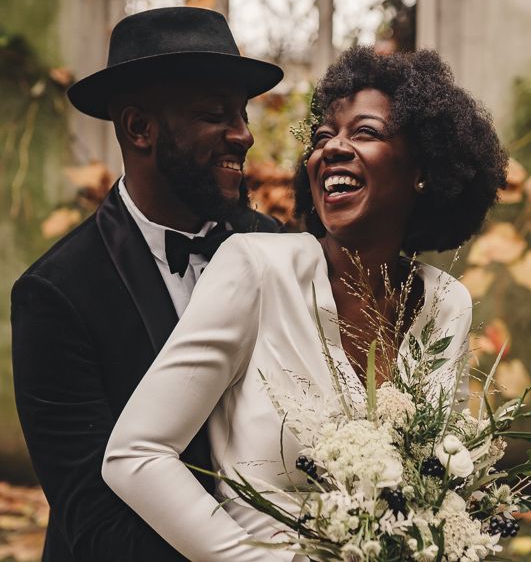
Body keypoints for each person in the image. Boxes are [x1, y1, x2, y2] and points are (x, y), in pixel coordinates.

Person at [102, 46, 509, 561]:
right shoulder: (255, 269)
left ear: (423, 170)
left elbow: (444, 479)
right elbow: (135, 455)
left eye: (365, 132)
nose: (332, 149)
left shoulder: (446, 303)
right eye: (322, 138)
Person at [11, 7, 284, 562]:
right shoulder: (55, 293)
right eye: (216, 114)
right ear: (140, 128)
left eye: (242, 113)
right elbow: (91, 512)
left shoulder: (276, 246)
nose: (244, 135)